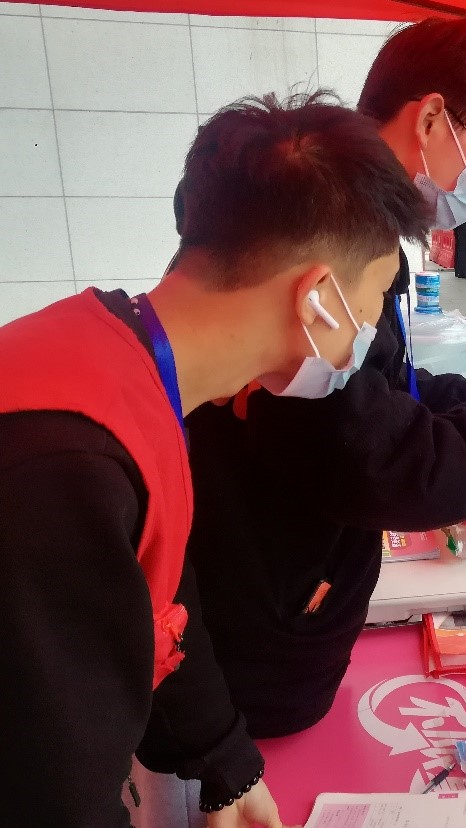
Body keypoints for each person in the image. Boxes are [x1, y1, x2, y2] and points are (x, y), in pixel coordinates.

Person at [127, 18, 466, 826]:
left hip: (230, 682)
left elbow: (385, 384)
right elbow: (374, 455)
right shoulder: (90, 440)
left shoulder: (170, 361)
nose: (370, 325)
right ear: (313, 295)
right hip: (235, 677)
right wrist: (223, 762)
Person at [0, 91, 430, 826]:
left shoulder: (124, 364)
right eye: (375, 300)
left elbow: (160, 601)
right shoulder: (64, 462)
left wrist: (226, 766)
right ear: (318, 299)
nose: (369, 337)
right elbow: (54, 786)